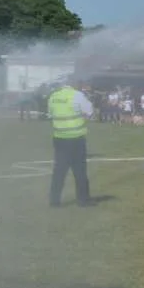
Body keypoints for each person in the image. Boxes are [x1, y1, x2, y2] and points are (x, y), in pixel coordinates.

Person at [46, 79, 96, 207]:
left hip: (59, 138)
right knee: (79, 171)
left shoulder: (54, 96)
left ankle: (54, 200)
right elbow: (89, 112)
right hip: (75, 138)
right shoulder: (77, 95)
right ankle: (83, 200)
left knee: (59, 171)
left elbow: (51, 114)